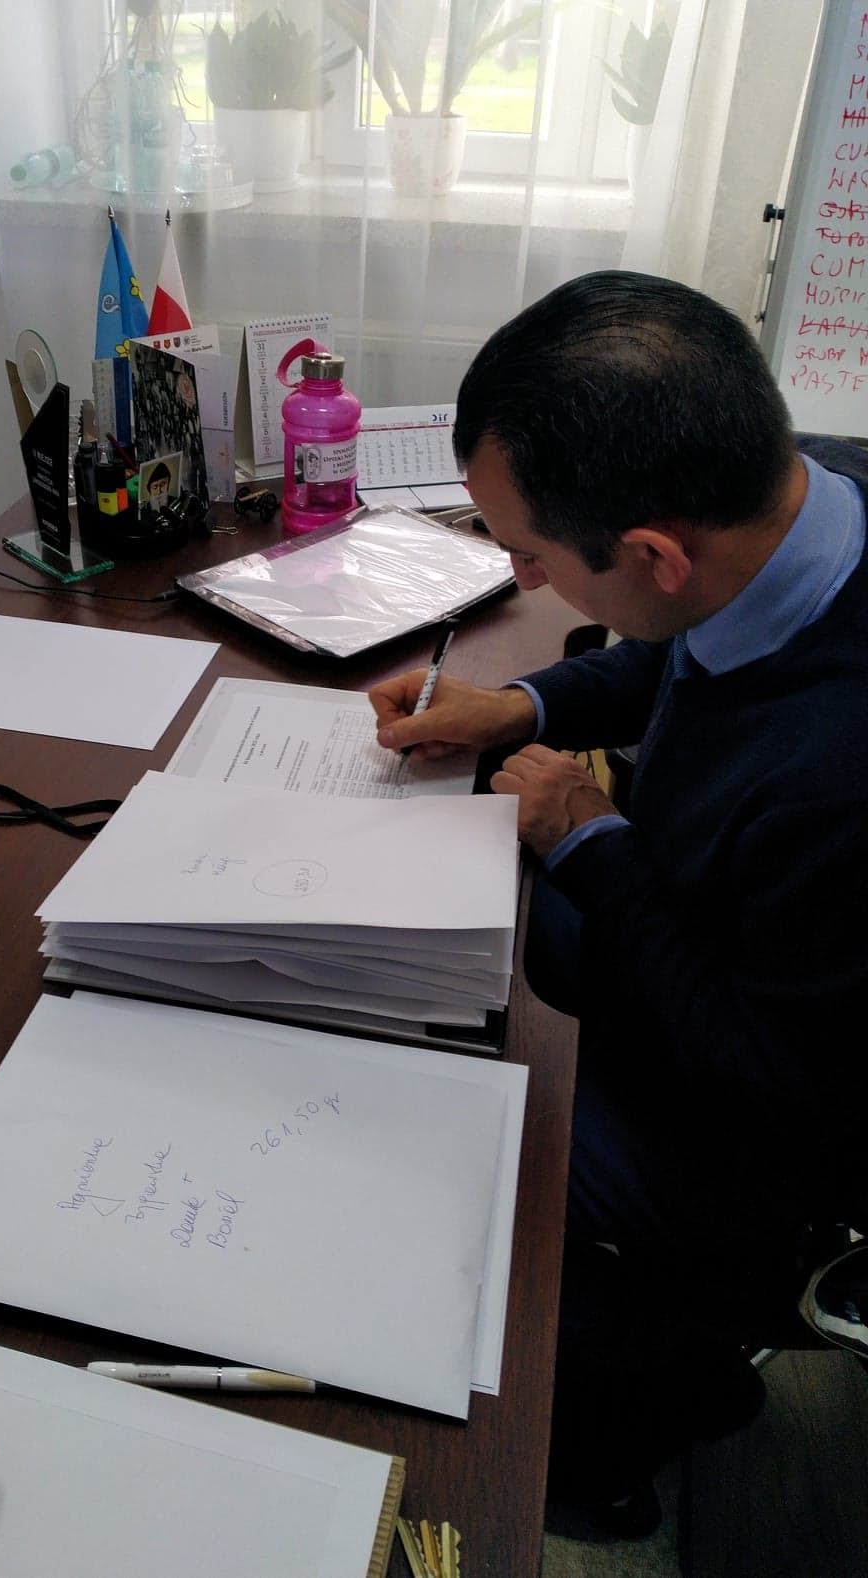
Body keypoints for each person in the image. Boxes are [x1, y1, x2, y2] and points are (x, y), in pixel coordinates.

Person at [370, 271, 868, 1536]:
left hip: (782, 1135)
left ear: (648, 552)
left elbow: (771, 1076)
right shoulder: (797, 494)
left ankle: (631, 1417)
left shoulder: (837, 779)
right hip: (727, 945)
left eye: (529, 558)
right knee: (474, 967)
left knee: (431, 1130)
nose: (519, 574)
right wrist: (520, 705)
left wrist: (595, 844)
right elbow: (683, 643)